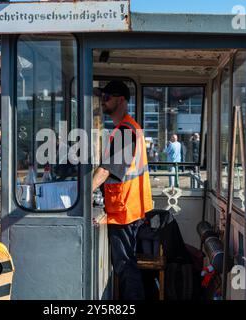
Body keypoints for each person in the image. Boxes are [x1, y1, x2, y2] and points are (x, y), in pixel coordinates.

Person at [92, 81, 153, 300]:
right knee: (127, 266)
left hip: (124, 211)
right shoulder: (126, 129)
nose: (103, 100)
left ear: (121, 100)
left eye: (107, 96)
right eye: (103, 96)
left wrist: (80, 193)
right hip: (127, 207)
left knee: (126, 267)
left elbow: (107, 170)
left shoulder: (126, 131)